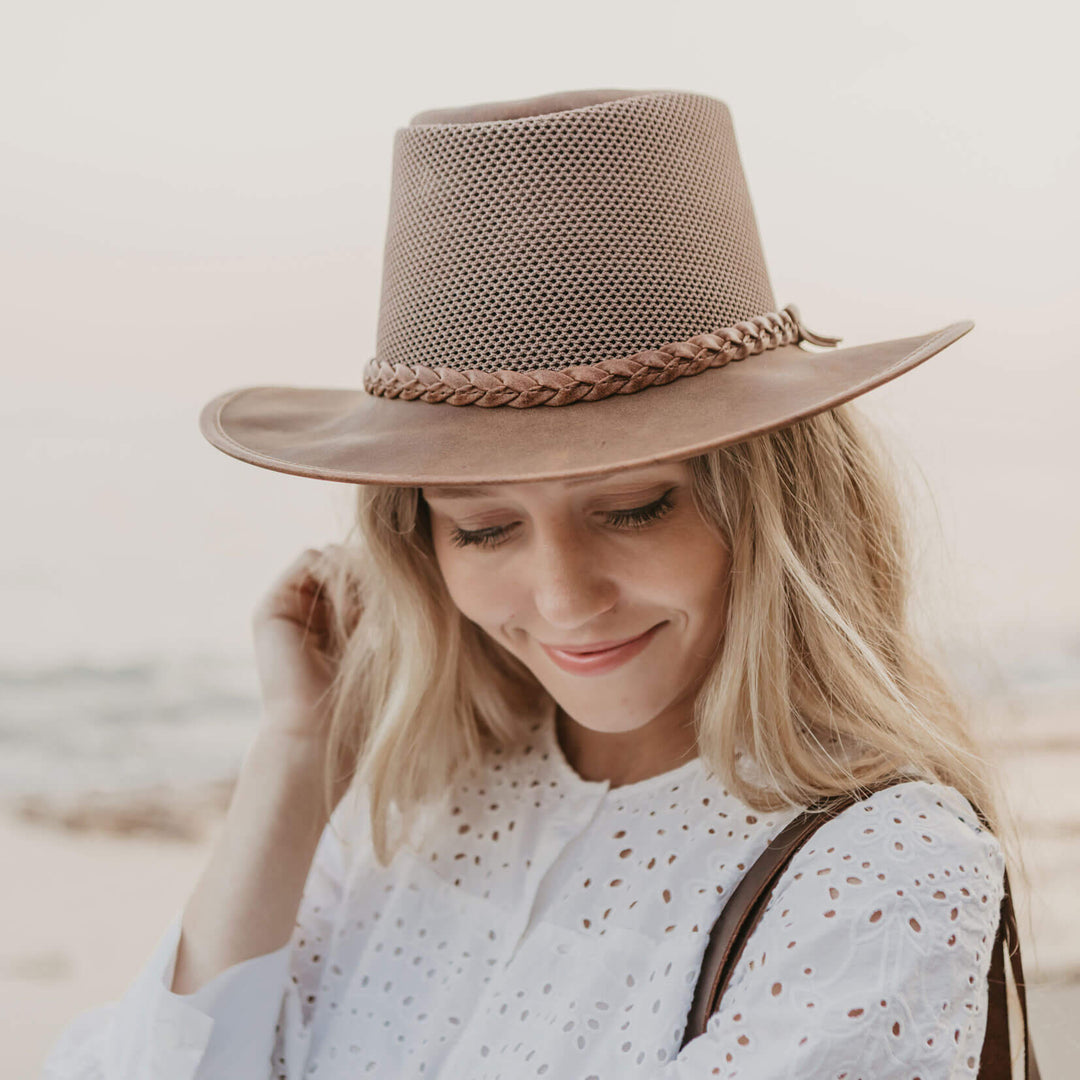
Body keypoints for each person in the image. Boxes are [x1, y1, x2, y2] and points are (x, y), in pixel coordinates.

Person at [43, 88, 1025, 1079]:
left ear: (775, 514)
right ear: (422, 545)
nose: (561, 598)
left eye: (635, 510)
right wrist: (295, 756)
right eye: (484, 527)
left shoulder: (883, 865)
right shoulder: (413, 810)